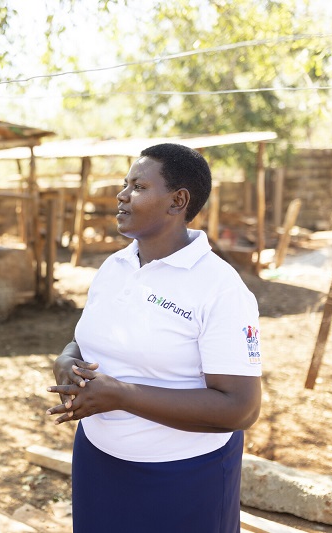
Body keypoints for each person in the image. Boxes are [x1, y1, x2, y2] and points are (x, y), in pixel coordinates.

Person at [47, 143, 262, 533]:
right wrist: (67, 356)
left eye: (139, 187)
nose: (122, 194)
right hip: (99, 462)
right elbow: (89, 335)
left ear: (178, 201)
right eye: (125, 184)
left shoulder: (219, 288)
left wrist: (121, 394)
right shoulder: (117, 265)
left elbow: (241, 409)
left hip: (182, 479)